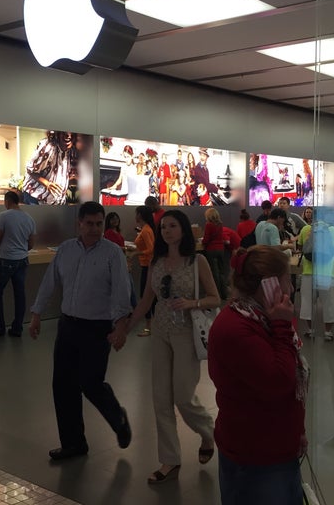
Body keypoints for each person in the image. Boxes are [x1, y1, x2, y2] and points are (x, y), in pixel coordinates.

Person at [110, 210, 219, 484]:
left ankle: (208, 431)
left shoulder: (197, 261)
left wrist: (191, 303)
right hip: (160, 330)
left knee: (183, 395)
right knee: (160, 397)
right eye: (164, 227)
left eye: (172, 226)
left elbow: (215, 298)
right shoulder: (157, 261)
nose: (167, 231)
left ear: (183, 230)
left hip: (186, 332)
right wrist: (125, 328)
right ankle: (169, 458)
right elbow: (147, 300)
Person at [29, 201, 132, 461]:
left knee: (90, 382)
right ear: (80, 223)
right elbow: (49, 281)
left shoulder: (112, 253)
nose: (95, 229)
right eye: (89, 224)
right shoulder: (65, 250)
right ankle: (73, 443)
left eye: (99, 224)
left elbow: (121, 291)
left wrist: (120, 327)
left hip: (97, 328)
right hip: (68, 326)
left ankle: (117, 417)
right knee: (63, 385)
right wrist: (36, 314)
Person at [208, 246, 308, 505]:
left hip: (275, 447)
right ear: (270, 285)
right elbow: (279, 380)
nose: (292, 288)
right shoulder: (236, 327)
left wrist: (298, 429)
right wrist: (283, 326)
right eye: (287, 279)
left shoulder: (261, 318)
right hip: (255, 457)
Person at [0, 190, 36, 337]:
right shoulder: (29, 218)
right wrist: (20, 249)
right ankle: (17, 328)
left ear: (7, 201)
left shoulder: (4, 216)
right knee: (20, 295)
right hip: (22, 261)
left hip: (6, 260)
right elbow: (31, 244)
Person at [298, 220, 334, 340]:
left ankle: (310, 330)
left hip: (308, 273)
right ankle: (327, 332)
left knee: (307, 303)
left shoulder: (305, 229)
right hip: (328, 273)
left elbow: (301, 248)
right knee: (329, 303)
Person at [22, 131, 75, 204]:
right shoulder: (47, 146)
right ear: (57, 133)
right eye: (64, 132)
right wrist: (47, 184)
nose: (69, 136)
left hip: (55, 200)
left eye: (72, 133)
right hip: (35, 197)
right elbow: (30, 170)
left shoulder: (71, 151)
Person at [133, 205, 156, 336]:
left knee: (146, 297)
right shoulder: (146, 229)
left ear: (140, 215)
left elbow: (151, 249)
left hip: (148, 266)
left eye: (136, 214)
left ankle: (149, 327)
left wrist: (136, 253)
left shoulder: (146, 230)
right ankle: (151, 325)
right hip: (146, 265)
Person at [202, 207, 227, 300]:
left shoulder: (208, 225)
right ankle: (224, 294)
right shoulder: (220, 224)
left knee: (213, 272)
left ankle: (216, 294)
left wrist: (203, 242)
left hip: (211, 249)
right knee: (222, 272)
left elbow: (206, 239)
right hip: (221, 249)